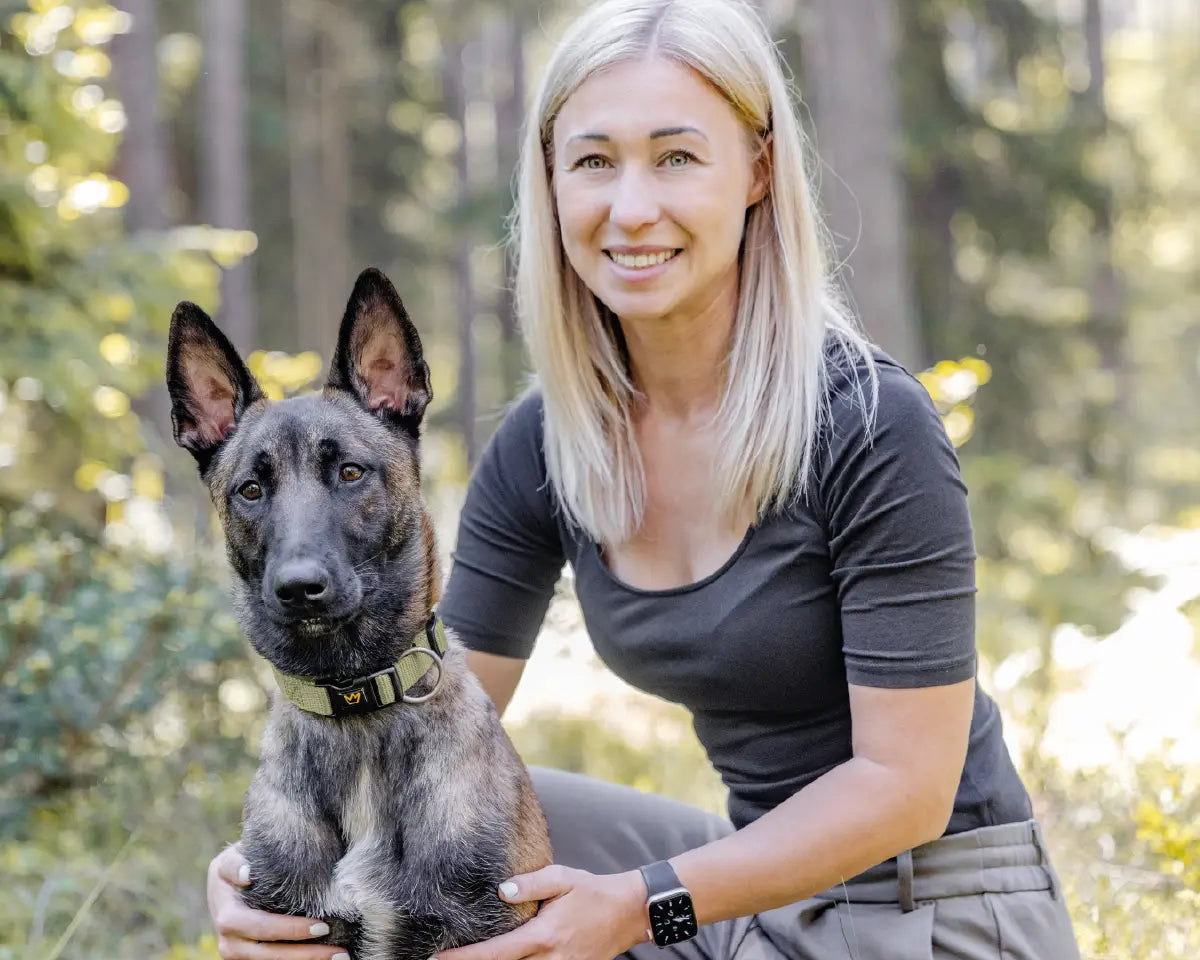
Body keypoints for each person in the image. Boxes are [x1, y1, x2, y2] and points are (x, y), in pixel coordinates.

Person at [205, 0, 1082, 957]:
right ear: (550, 181)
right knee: (464, 822)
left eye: (675, 157)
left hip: (940, 904)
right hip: (753, 881)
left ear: (755, 170)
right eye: (592, 161)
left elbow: (906, 791)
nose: (630, 208)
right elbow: (428, 705)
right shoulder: (552, 442)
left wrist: (644, 906)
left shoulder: (869, 423)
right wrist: (271, 863)